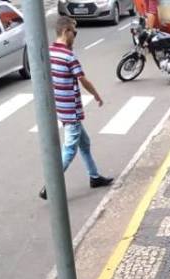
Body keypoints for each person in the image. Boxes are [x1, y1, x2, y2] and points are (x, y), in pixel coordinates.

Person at [39, 16, 112, 200]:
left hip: (61, 106)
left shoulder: (50, 52)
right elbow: (82, 79)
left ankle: (94, 176)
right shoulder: (68, 55)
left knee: (84, 144)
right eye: (75, 32)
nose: (75, 36)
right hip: (71, 109)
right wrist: (96, 94)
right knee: (70, 150)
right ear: (66, 32)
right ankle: (50, 185)